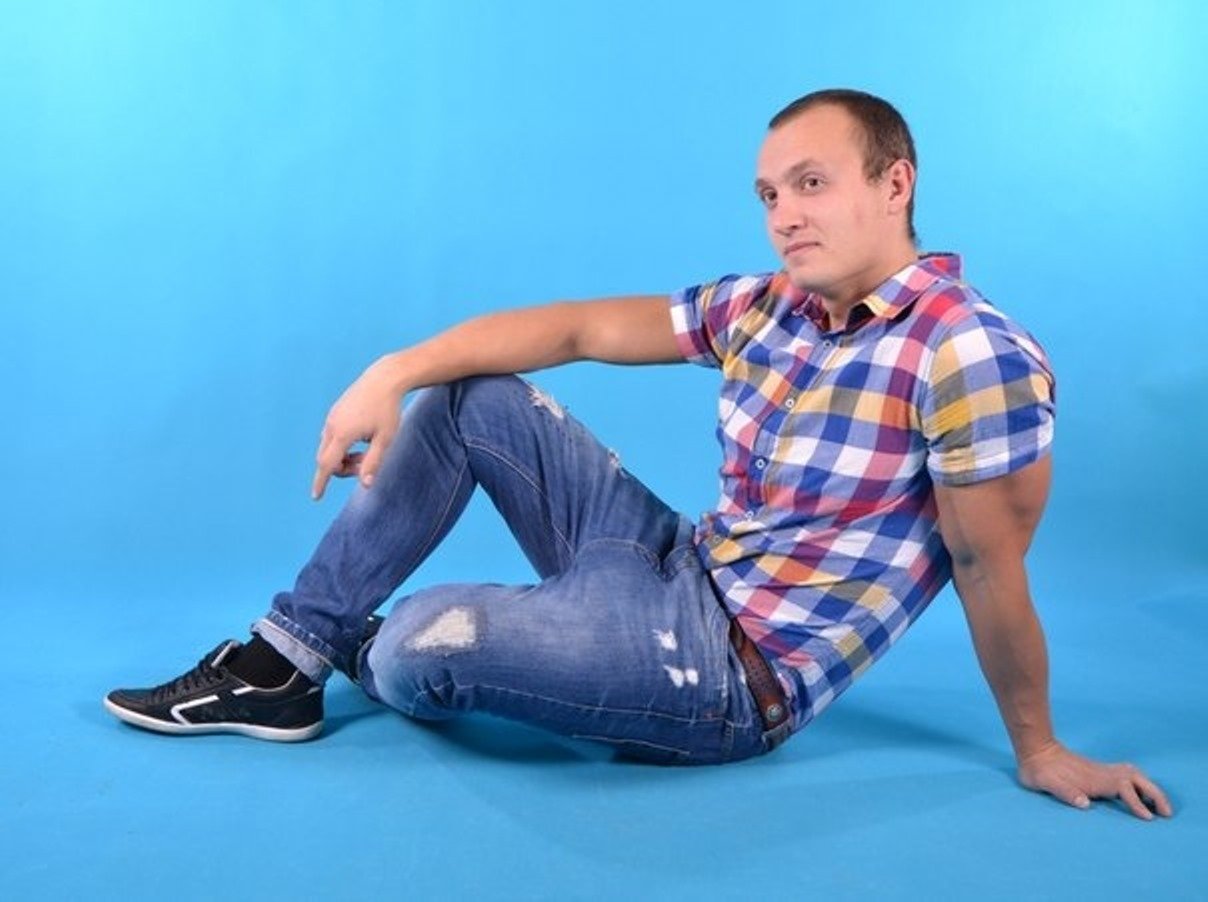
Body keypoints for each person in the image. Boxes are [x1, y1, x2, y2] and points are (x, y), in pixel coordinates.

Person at [104, 88, 1171, 820]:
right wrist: (393, 368)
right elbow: (576, 328)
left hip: (725, 675)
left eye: (810, 183)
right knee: (468, 395)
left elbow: (987, 565)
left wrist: (1038, 746)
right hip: (670, 561)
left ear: (896, 183)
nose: (784, 216)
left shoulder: (967, 354)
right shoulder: (766, 306)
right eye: (769, 195)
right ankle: (287, 659)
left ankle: (386, 645)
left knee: (418, 645)